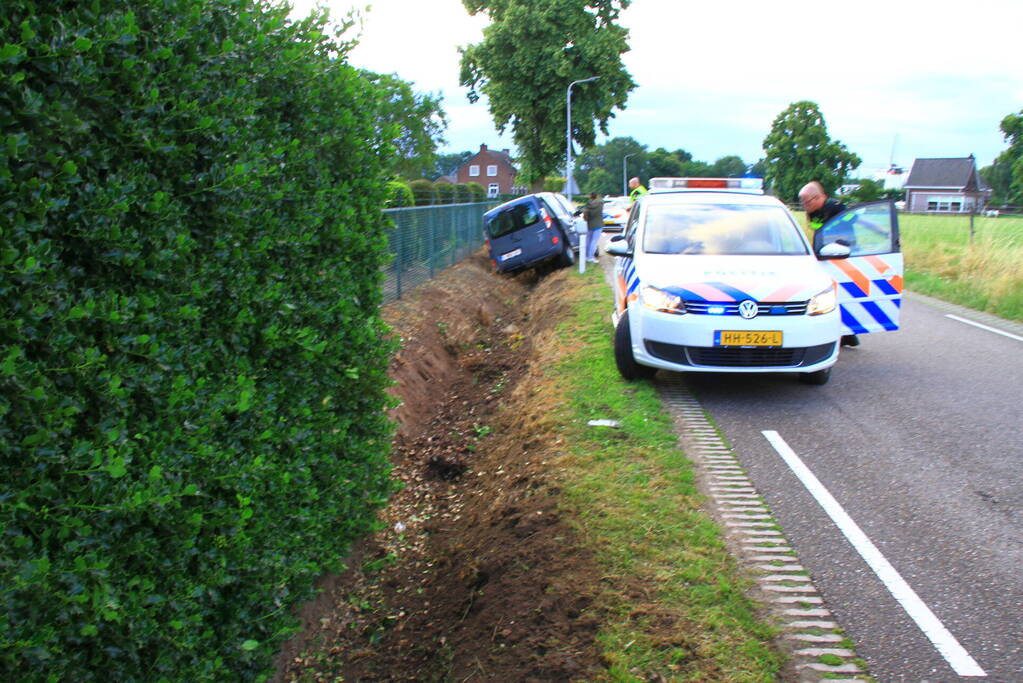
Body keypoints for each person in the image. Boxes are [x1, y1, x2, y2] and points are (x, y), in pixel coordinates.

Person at [798, 181, 859, 347]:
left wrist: (835, 226)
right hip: (825, 255)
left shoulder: (836, 207)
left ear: (818, 198)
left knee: (840, 294)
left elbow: (853, 217)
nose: (804, 206)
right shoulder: (814, 212)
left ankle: (849, 333)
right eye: (802, 202)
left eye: (806, 202)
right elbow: (816, 229)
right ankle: (847, 334)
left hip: (843, 254)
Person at [582, 192, 604, 263]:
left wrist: (586, 219)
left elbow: (585, 216)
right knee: (594, 241)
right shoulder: (600, 204)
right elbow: (601, 201)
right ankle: (591, 257)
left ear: (590, 196)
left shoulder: (588, 205)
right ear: (596, 196)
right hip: (598, 224)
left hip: (590, 224)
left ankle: (586, 256)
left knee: (588, 240)